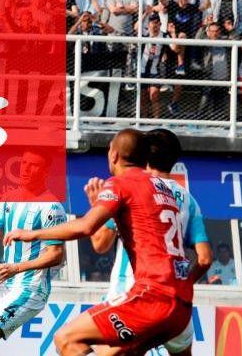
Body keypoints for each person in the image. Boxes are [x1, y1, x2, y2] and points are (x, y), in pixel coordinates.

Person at [6, 129, 201, 355]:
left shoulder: (121, 183)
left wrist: (32, 234)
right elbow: (201, 256)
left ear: (114, 155)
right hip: (181, 303)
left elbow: (88, 228)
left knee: (66, 339)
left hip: (149, 297)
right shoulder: (167, 190)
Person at [89, 128, 213, 356]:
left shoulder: (130, 187)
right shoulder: (189, 199)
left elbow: (100, 244)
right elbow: (204, 258)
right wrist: (184, 283)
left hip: (130, 291)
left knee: (76, 344)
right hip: (173, 299)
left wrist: (96, 205)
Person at [0, 149, 66, 356]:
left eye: (33, 165)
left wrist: (17, 267)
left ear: (45, 172)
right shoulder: (9, 198)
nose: (25, 169)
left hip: (30, 287)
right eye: (23, 163)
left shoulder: (51, 208)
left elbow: (56, 255)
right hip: (5, 284)